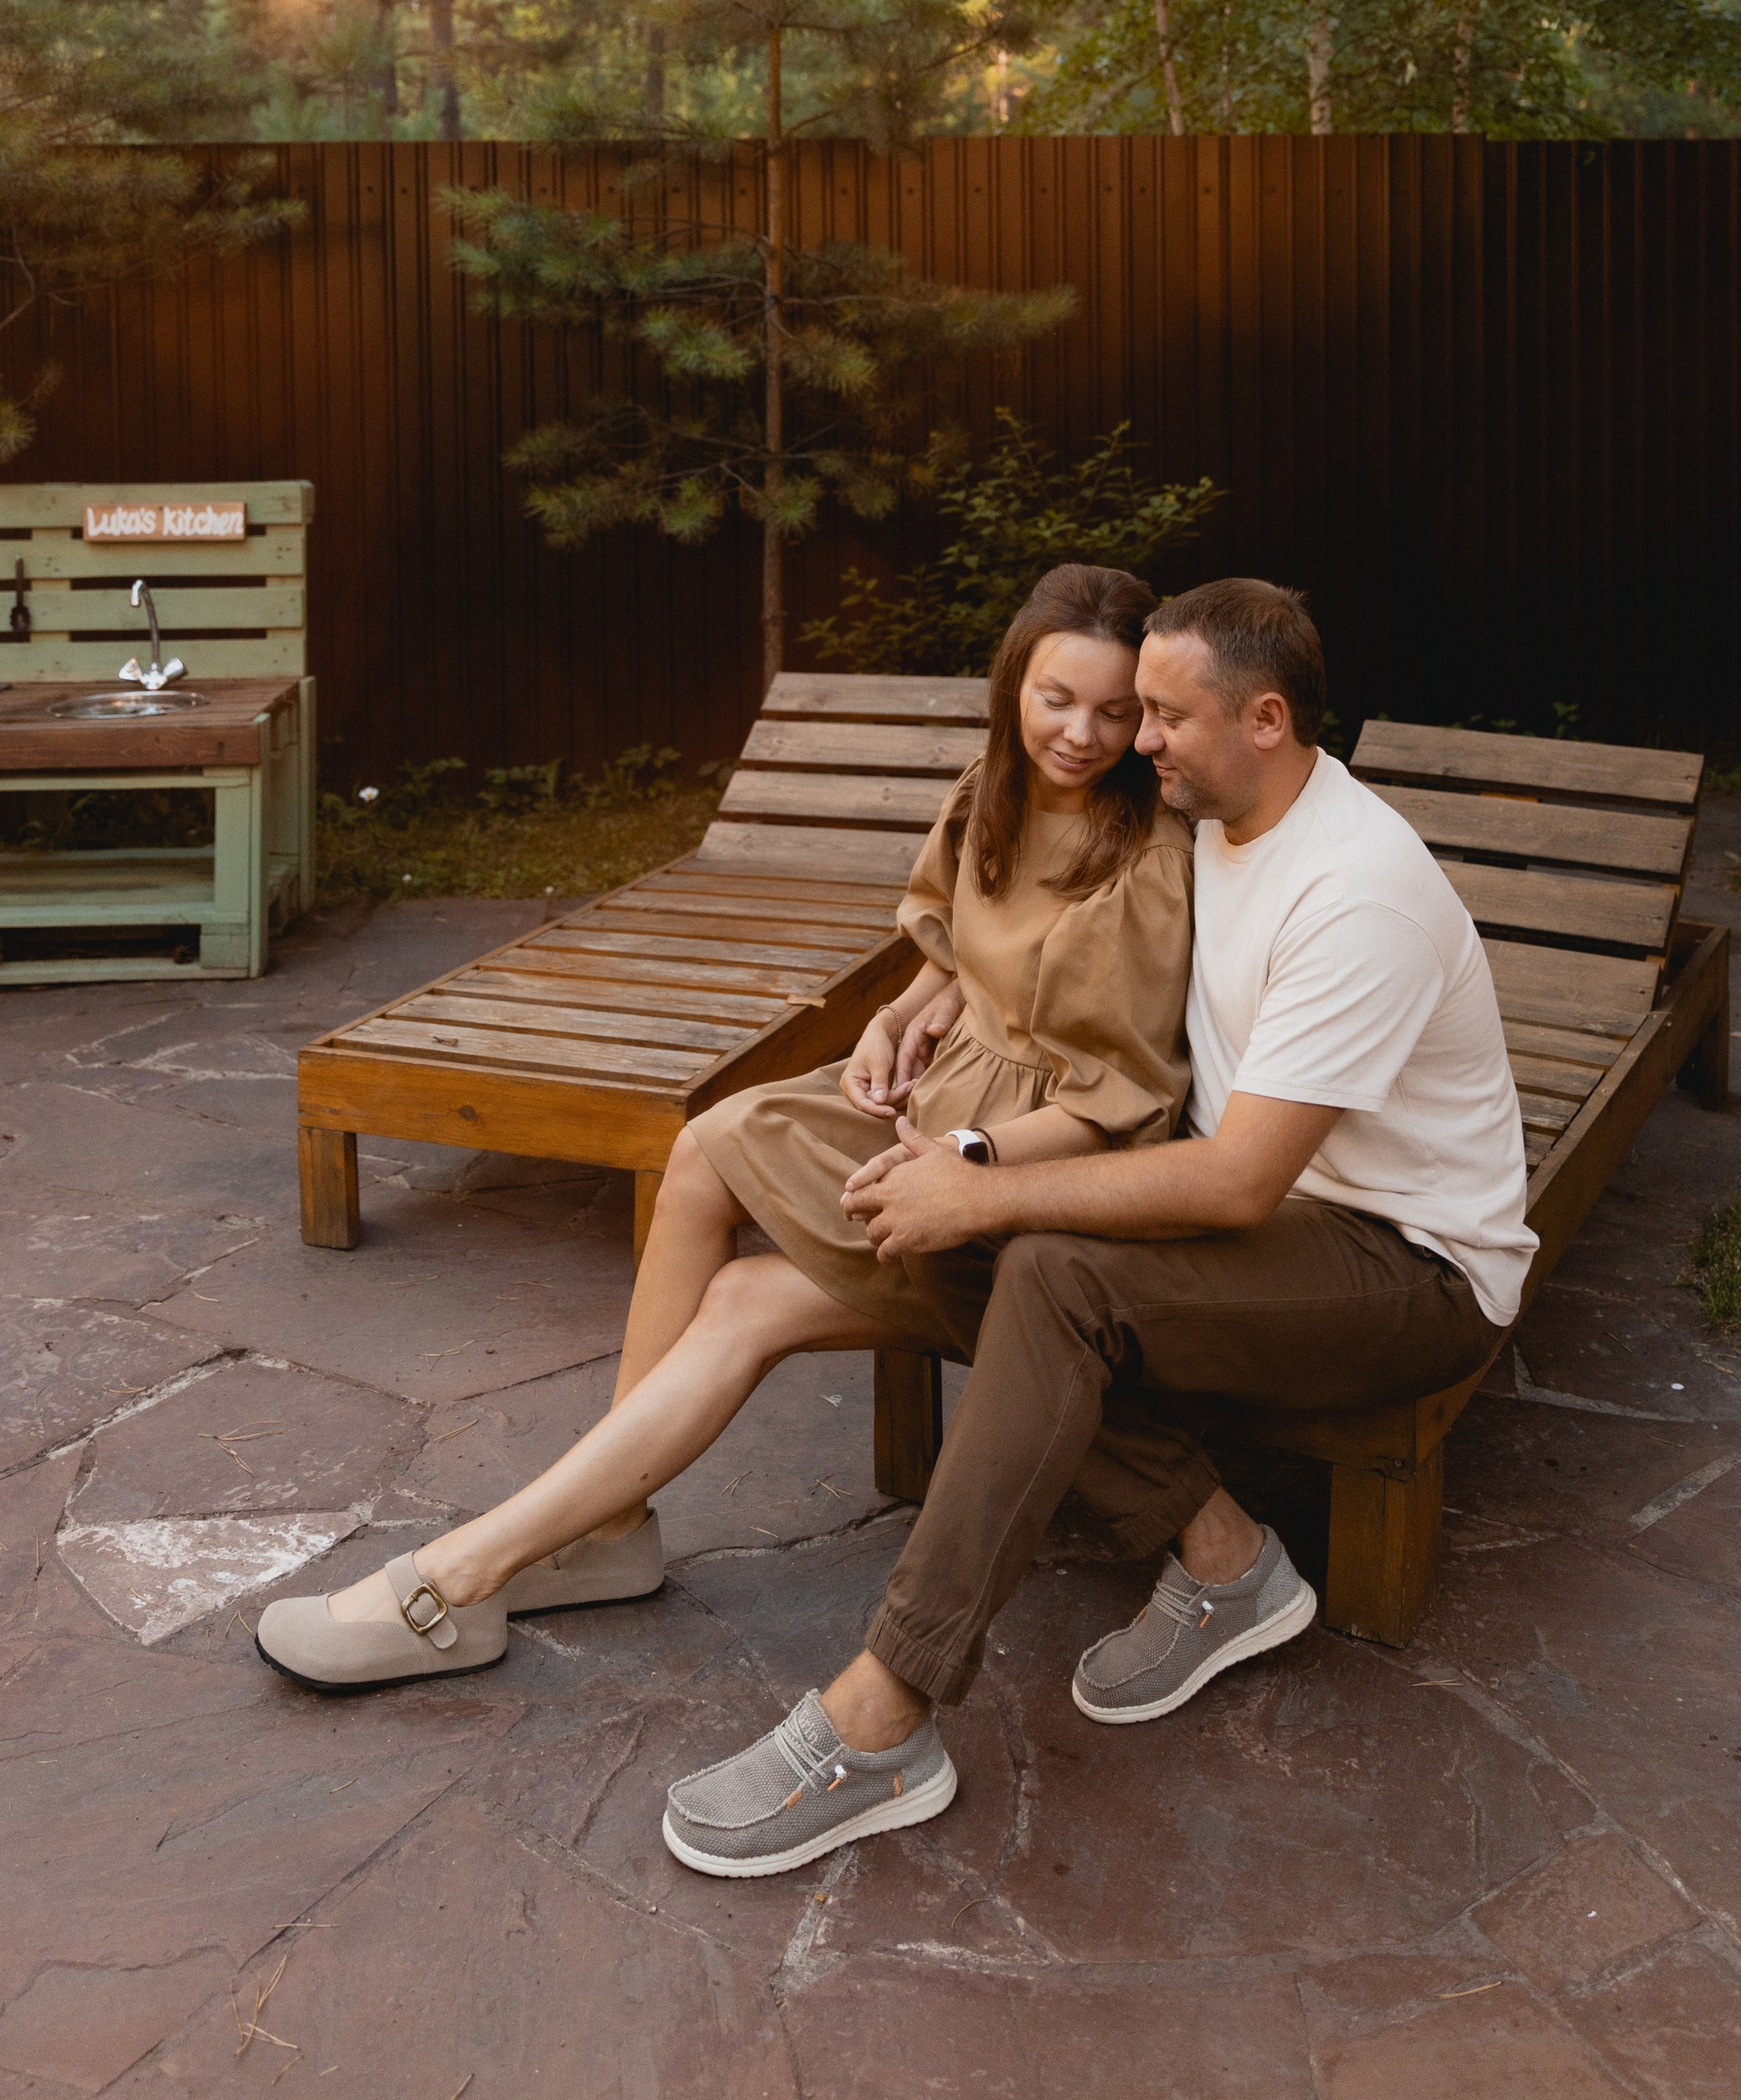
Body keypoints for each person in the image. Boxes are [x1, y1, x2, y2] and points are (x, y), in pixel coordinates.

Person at [655, 575, 1535, 1880]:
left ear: (1269, 721)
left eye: (1169, 716)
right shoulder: (1217, 825)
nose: (1143, 739)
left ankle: (886, 1712)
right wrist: (934, 996)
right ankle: (1229, 1559)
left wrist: (987, 1182)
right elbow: (1046, 957)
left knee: (1047, 1266)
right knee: (988, 1248)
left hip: (1401, 1264)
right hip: (1278, 1221)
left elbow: (1237, 1184)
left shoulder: (1355, 892)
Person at [257, 561, 1195, 1694]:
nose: (1081, 733)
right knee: (703, 1143)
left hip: (1019, 1171)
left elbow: (1114, 1107)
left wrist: (966, 1163)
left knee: (746, 1297)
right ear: (1014, 686)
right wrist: (898, 1016)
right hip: (944, 1099)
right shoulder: (995, 788)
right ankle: (606, 1528)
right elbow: (956, 954)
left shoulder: (1144, 866)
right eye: (1056, 698)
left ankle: (473, 1571)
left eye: (1114, 710)